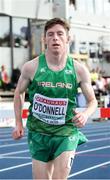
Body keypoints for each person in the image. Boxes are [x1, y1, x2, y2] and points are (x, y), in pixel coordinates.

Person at [12, 18, 97, 179]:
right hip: (39, 133)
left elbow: (93, 101)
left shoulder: (79, 70)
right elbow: (19, 92)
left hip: (65, 132)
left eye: (60, 34)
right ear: (44, 39)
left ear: (68, 39)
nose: (55, 38)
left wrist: (85, 114)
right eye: (50, 34)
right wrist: (18, 122)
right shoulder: (31, 67)